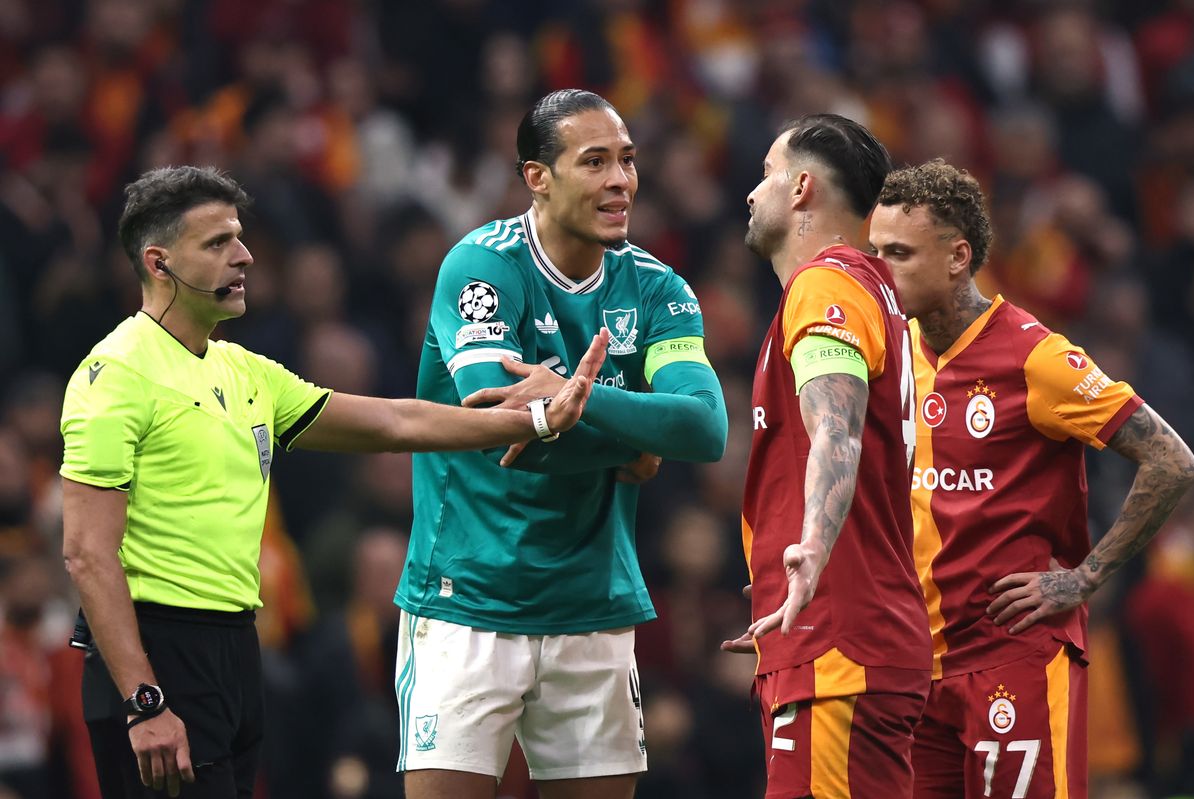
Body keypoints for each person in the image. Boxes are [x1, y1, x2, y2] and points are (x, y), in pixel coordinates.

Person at [60, 165, 610, 799]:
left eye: (239, 238)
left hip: (235, 645)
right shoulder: (115, 373)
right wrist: (143, 700)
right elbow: (87, 553)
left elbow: (394, 420)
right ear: (158, 262)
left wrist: (536, 418)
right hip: (155, 651)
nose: (244, 256)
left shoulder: (244, 371)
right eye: (217, 244)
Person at [394, 88, 727, 799]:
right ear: (537, 177)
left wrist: (573, 398)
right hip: (467, 599)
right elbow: (497, 426)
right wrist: (632, 439)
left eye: (628, 161)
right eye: (596, 161)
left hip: (592, 605)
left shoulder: (655, 286)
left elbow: (704, 427)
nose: (620, 180)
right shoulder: (482, 268)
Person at [867, 158, 1194, 799]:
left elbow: (1173, 460)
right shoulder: (895, 353)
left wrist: (1085, 577)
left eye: (900, 253)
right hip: (919, 663)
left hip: (1012, 651)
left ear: (958, 257)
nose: (880, 270)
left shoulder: (1035, 357)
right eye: (875, 252)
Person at [723, 114, 932, 798]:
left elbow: (834, 429)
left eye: (766, 174)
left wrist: (811, 546)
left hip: (838, 642)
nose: (752, 195)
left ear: (803, 187)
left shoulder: (825, 286)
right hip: (840, 637)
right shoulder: (872, 291)